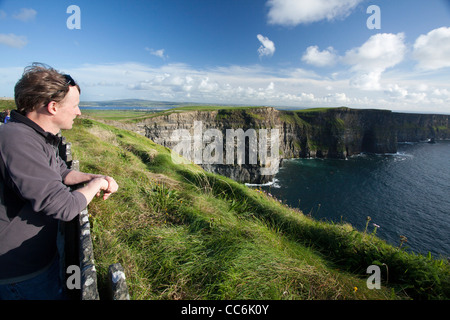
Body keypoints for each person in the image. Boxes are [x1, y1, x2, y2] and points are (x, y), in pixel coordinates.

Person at [0, 63, 119, 300]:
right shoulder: (17, 141)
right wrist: (95, 186)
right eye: (75, 106)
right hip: (19, 273)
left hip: (36, 260)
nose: (79, 113)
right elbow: (63, 207)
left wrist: (95, 178)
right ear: (53, 107)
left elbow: (61, 172)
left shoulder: (36, 136)